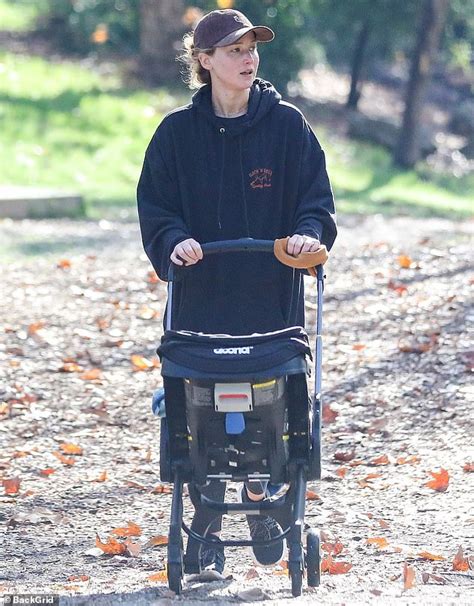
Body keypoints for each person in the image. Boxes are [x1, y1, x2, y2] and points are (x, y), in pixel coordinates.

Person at [137, 8, 337, 574]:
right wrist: (173, 241)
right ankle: (202, 523)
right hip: (200, 315)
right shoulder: (176, 135)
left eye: (252, 48)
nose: (249, 58)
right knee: (194, 423)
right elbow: (157, 208)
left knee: (278, 419)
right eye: (234, 50)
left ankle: (264, 503)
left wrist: (308, 233)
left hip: (271, 312)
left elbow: (315, 201)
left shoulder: (288, 126)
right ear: (204, 62)